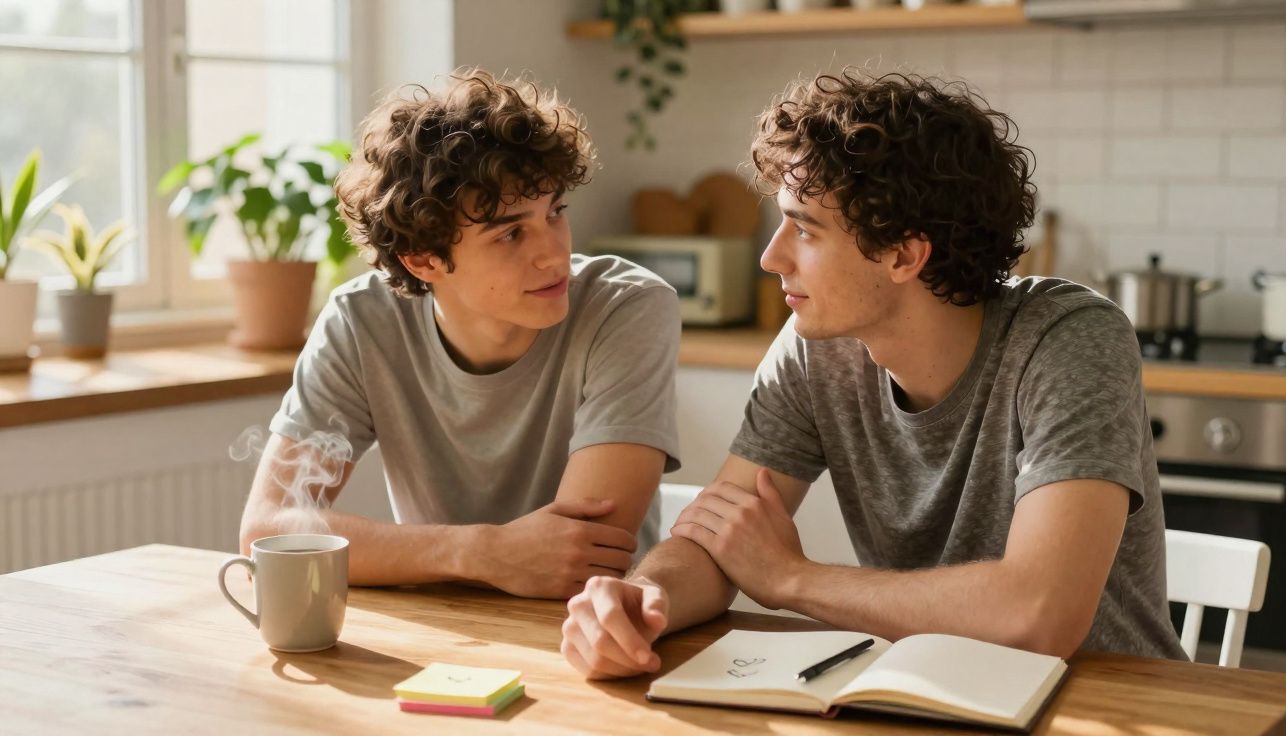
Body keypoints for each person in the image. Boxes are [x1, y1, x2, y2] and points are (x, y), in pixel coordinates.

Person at [561, 68, 1186, 678]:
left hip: (1110, 708)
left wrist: (791, 579)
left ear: (903, 254)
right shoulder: (817, 348)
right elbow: (720, 539)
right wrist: (642, 602)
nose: (770, 256)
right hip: (928, 696)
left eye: (804, 229)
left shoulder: (1067, 338)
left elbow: (1039, 615)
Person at [239, 68, 681, 598]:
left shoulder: (625, 306)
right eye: (511, 233)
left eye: (556, 212)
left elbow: (582, 557)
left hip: (591, 628)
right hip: (441, 629)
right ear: (424, 258)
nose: (554, 252)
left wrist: (423, 554)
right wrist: (480, 552)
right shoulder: (362, 323)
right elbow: (268, 527)